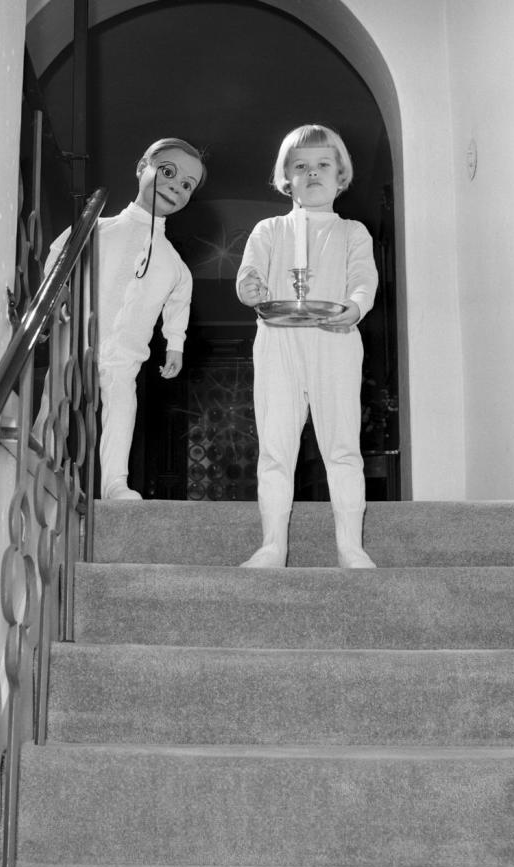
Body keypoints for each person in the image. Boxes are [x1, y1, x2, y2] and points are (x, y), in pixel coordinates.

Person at [236, 124, 378, 567]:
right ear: (286, 179)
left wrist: (354, 309)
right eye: (301, 167)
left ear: (341, 177)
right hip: (278, 341)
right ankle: (272, 544)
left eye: (322, 165)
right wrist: (252, 288)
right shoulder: (269, 229)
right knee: (276, 446)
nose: (312, 174)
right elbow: (248, 277)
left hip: (334, 342)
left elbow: (363, 280)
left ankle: (350, 546)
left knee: (341, 445)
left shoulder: (353, 231)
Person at [41, 137, 205, 500]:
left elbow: (179, 305)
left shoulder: (174, 264)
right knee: (59, 393)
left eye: (186, 186)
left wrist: (175, 346)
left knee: (121, 405)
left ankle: (115, 481)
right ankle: (43, 449)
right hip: (78, 337)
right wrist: (56, 293)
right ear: (141, 168)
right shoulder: (97, 228)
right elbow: (58, 253)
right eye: (168, 172)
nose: (175, 187)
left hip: (126, 354)